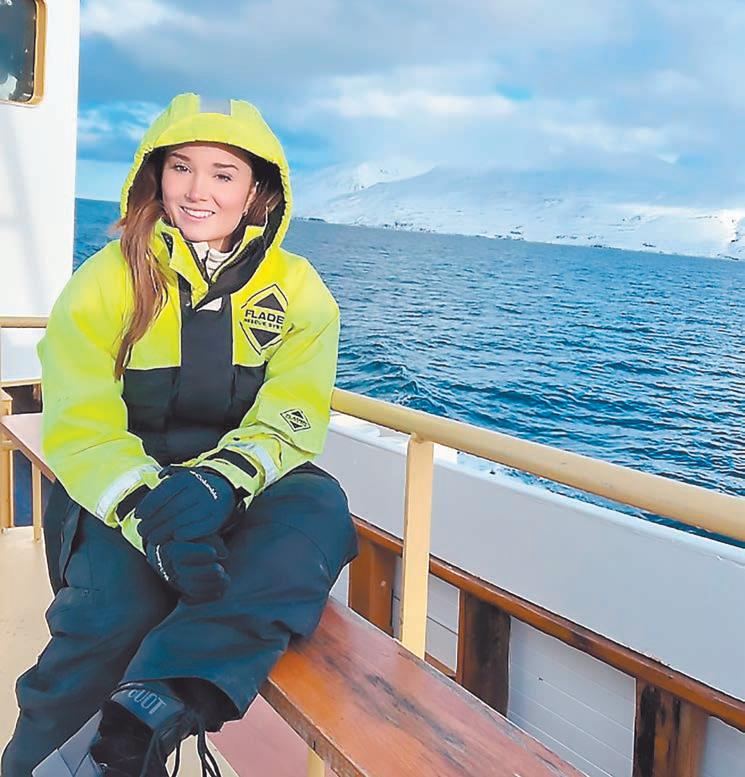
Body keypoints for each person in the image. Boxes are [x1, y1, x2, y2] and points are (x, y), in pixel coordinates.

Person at [1, 93, 358, 777]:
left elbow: (292, 414)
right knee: (113, 612)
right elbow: (81, 422)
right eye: (181, 167)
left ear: (257, 191)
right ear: (155, 176)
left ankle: (155, 706)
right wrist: (152, 519)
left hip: (231, 484)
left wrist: (220, 482)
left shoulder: (299, 289)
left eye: (223, 173)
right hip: (119, 491)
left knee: (320, 511)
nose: (198, 191)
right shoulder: (105, 281)